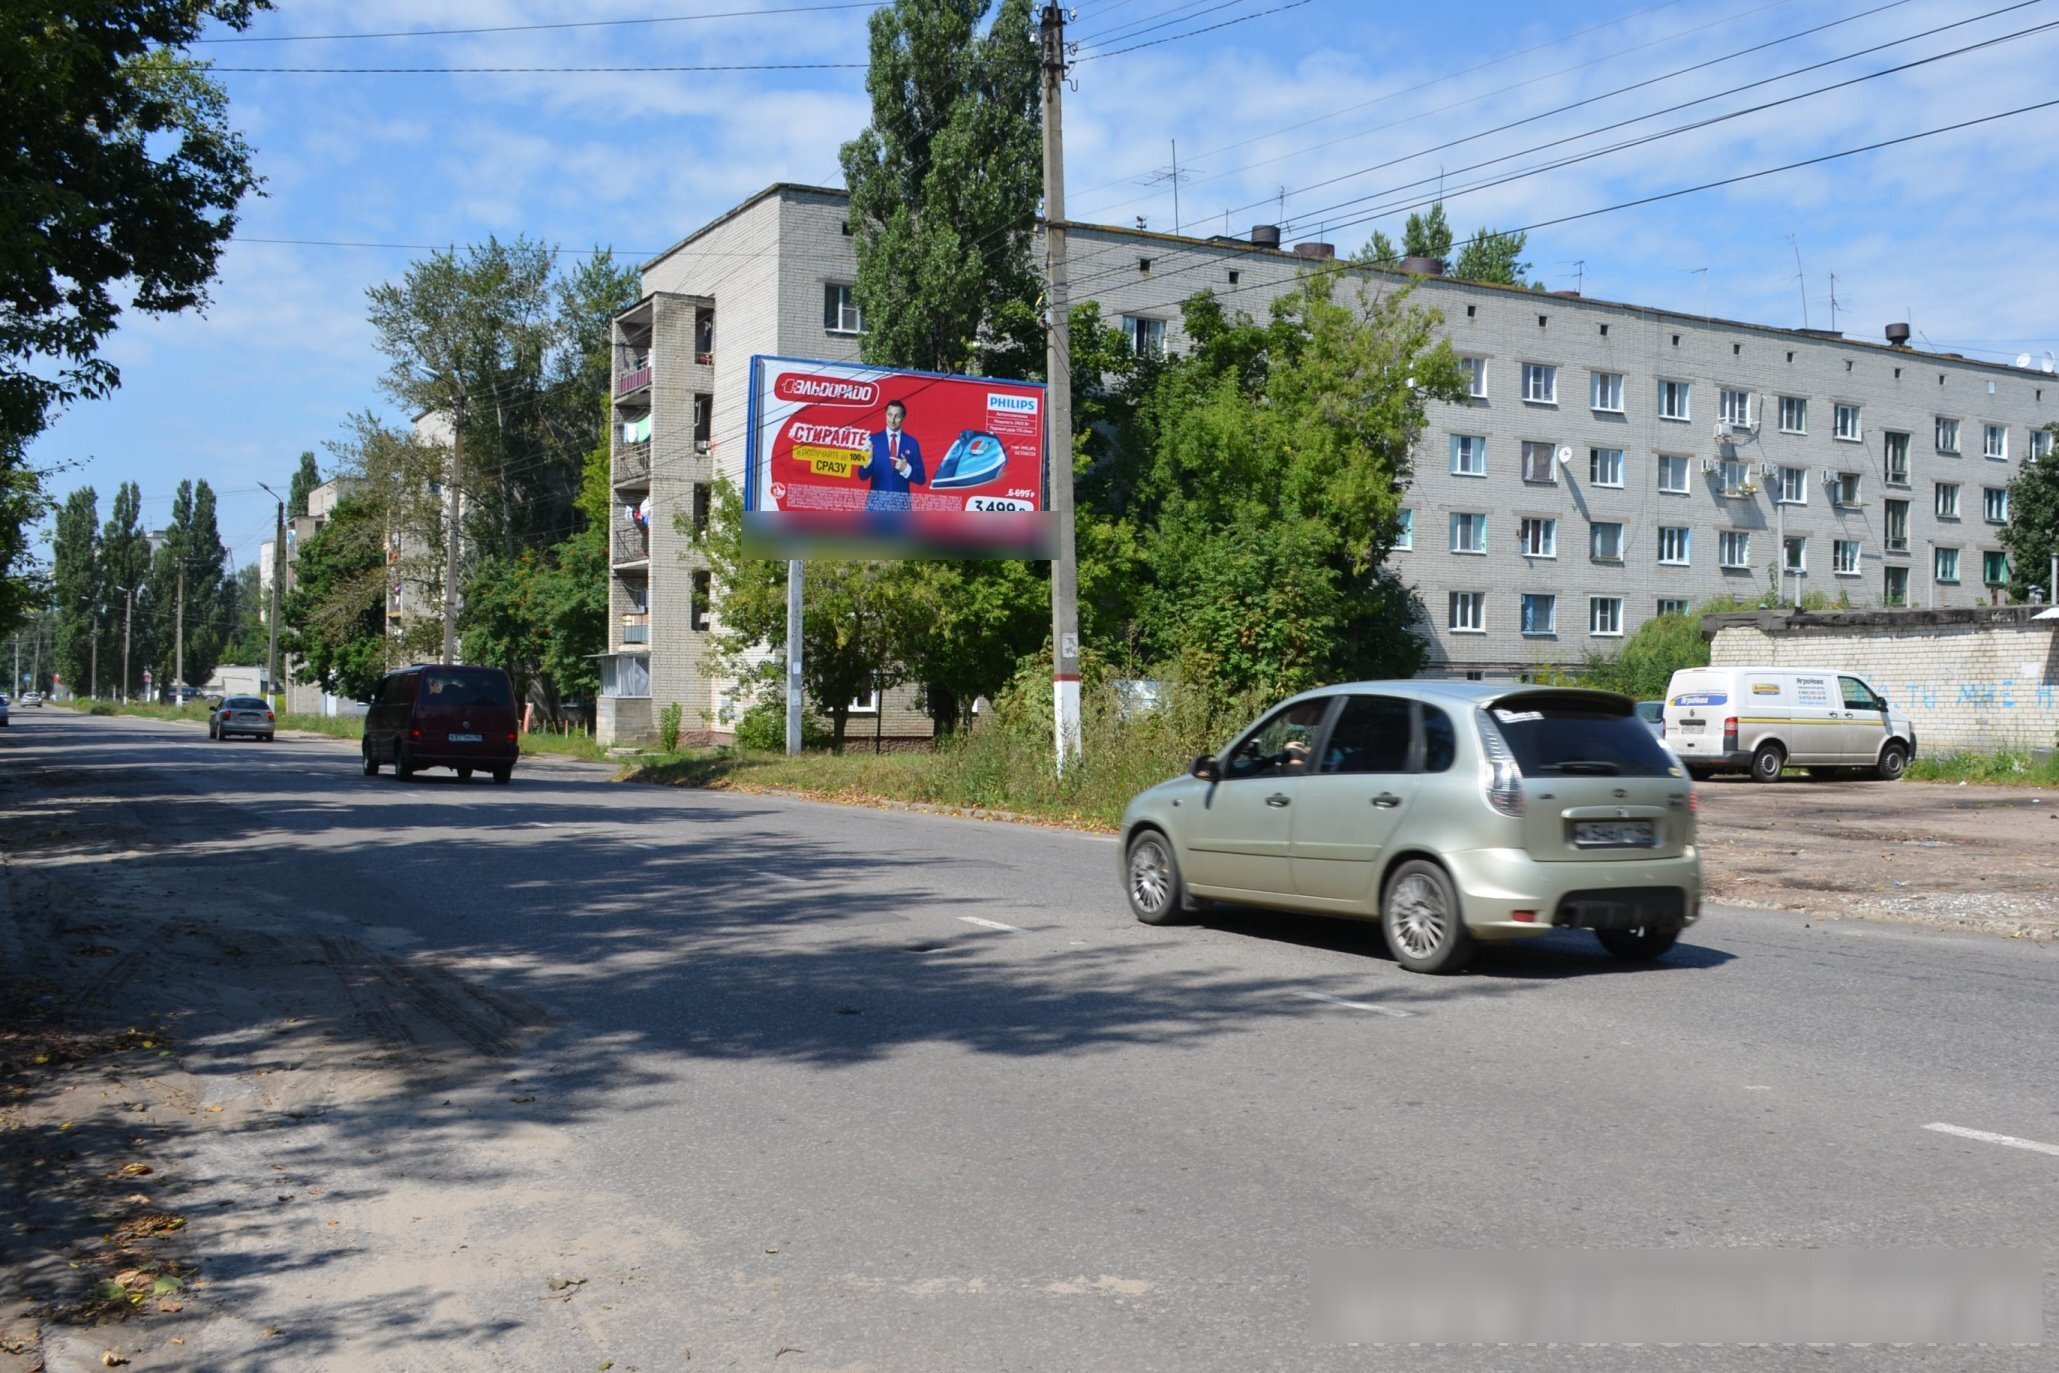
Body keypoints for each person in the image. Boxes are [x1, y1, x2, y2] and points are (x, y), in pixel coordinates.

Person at [857, 399, 925, 511]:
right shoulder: (872, 441)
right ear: (885, 414)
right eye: (890, 415)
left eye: (897, 416)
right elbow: (862, 476)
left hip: (901, 507)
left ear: (903, 418)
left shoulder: (912, 443)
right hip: (876, 507)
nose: (892, 420)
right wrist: (868, 461)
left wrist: (906, 469)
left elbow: (921, 478)